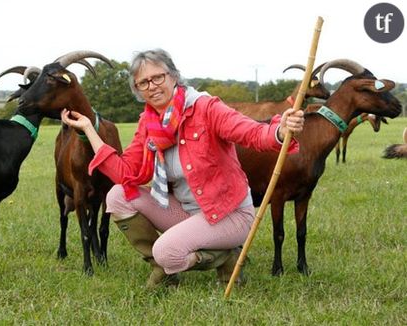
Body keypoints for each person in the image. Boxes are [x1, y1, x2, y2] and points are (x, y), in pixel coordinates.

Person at [60, 49, 304, 288]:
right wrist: (89, 129)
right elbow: (125, 174)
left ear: (173, 76)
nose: (152, 86)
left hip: (228, 215)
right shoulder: (149, 123)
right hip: (187, 212)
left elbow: (251, 132)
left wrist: (279, 131)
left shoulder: (205, 107)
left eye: (158, 77)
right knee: (117, 196)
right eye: (143, 83)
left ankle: (227, 255)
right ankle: (164, 268)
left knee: (166, 251)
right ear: (137, 90)